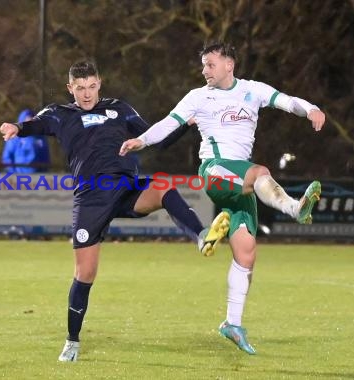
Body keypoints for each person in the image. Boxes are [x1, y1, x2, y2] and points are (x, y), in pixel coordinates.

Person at [0, 59, 230, 362]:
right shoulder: (60, 114)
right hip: (91, 198)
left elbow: (155, 138)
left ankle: (201, 236)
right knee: (85, 274)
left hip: (125, 188)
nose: (86, 93)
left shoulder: (119, 109)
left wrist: (186, 125)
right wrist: (16, 127)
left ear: (99, 83)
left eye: (91, 86)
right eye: (80, 88)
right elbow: (36, 124)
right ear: (71, 88)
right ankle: (72, 340)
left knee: (162, 187)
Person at [119, 42, 326, 355]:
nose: (204, 71)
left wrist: (310, 108)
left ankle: (232, 323)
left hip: (240, 184)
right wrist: (142, 140)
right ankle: (295, 208)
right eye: (204, 65)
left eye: (210, 64)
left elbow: (286, 101)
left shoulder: (252, 90)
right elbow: (168, 123)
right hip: (215, 172)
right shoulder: (199, 96)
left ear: (229, 64)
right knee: (260, 172)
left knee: (246, 254)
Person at [2, 109, 51, 173]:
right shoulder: (14, 138)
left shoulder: (40, 138)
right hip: (18, 177)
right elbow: (7, 157)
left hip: (36, 178)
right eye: (26, 122)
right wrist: (13, 173)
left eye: (31, 122)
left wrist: (43, 174)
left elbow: (45, 157)